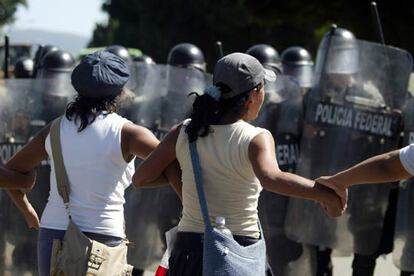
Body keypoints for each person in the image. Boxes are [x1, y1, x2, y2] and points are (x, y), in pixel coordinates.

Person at [133, 52, 345, 275]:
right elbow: (272, 178)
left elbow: (141, 178)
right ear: (253, 95)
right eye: (263, 88)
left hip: (188, 253)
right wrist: (324, 193)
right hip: (237, 252)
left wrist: (185, 184)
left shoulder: (184, 131)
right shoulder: (256, 138)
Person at [4, 50, 180, 276]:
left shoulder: (54, 129)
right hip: (104, 237)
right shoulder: (128, 133)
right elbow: (174, 163)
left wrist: (27, 209)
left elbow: (10, 171)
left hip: (53, 233)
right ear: (119, 91)